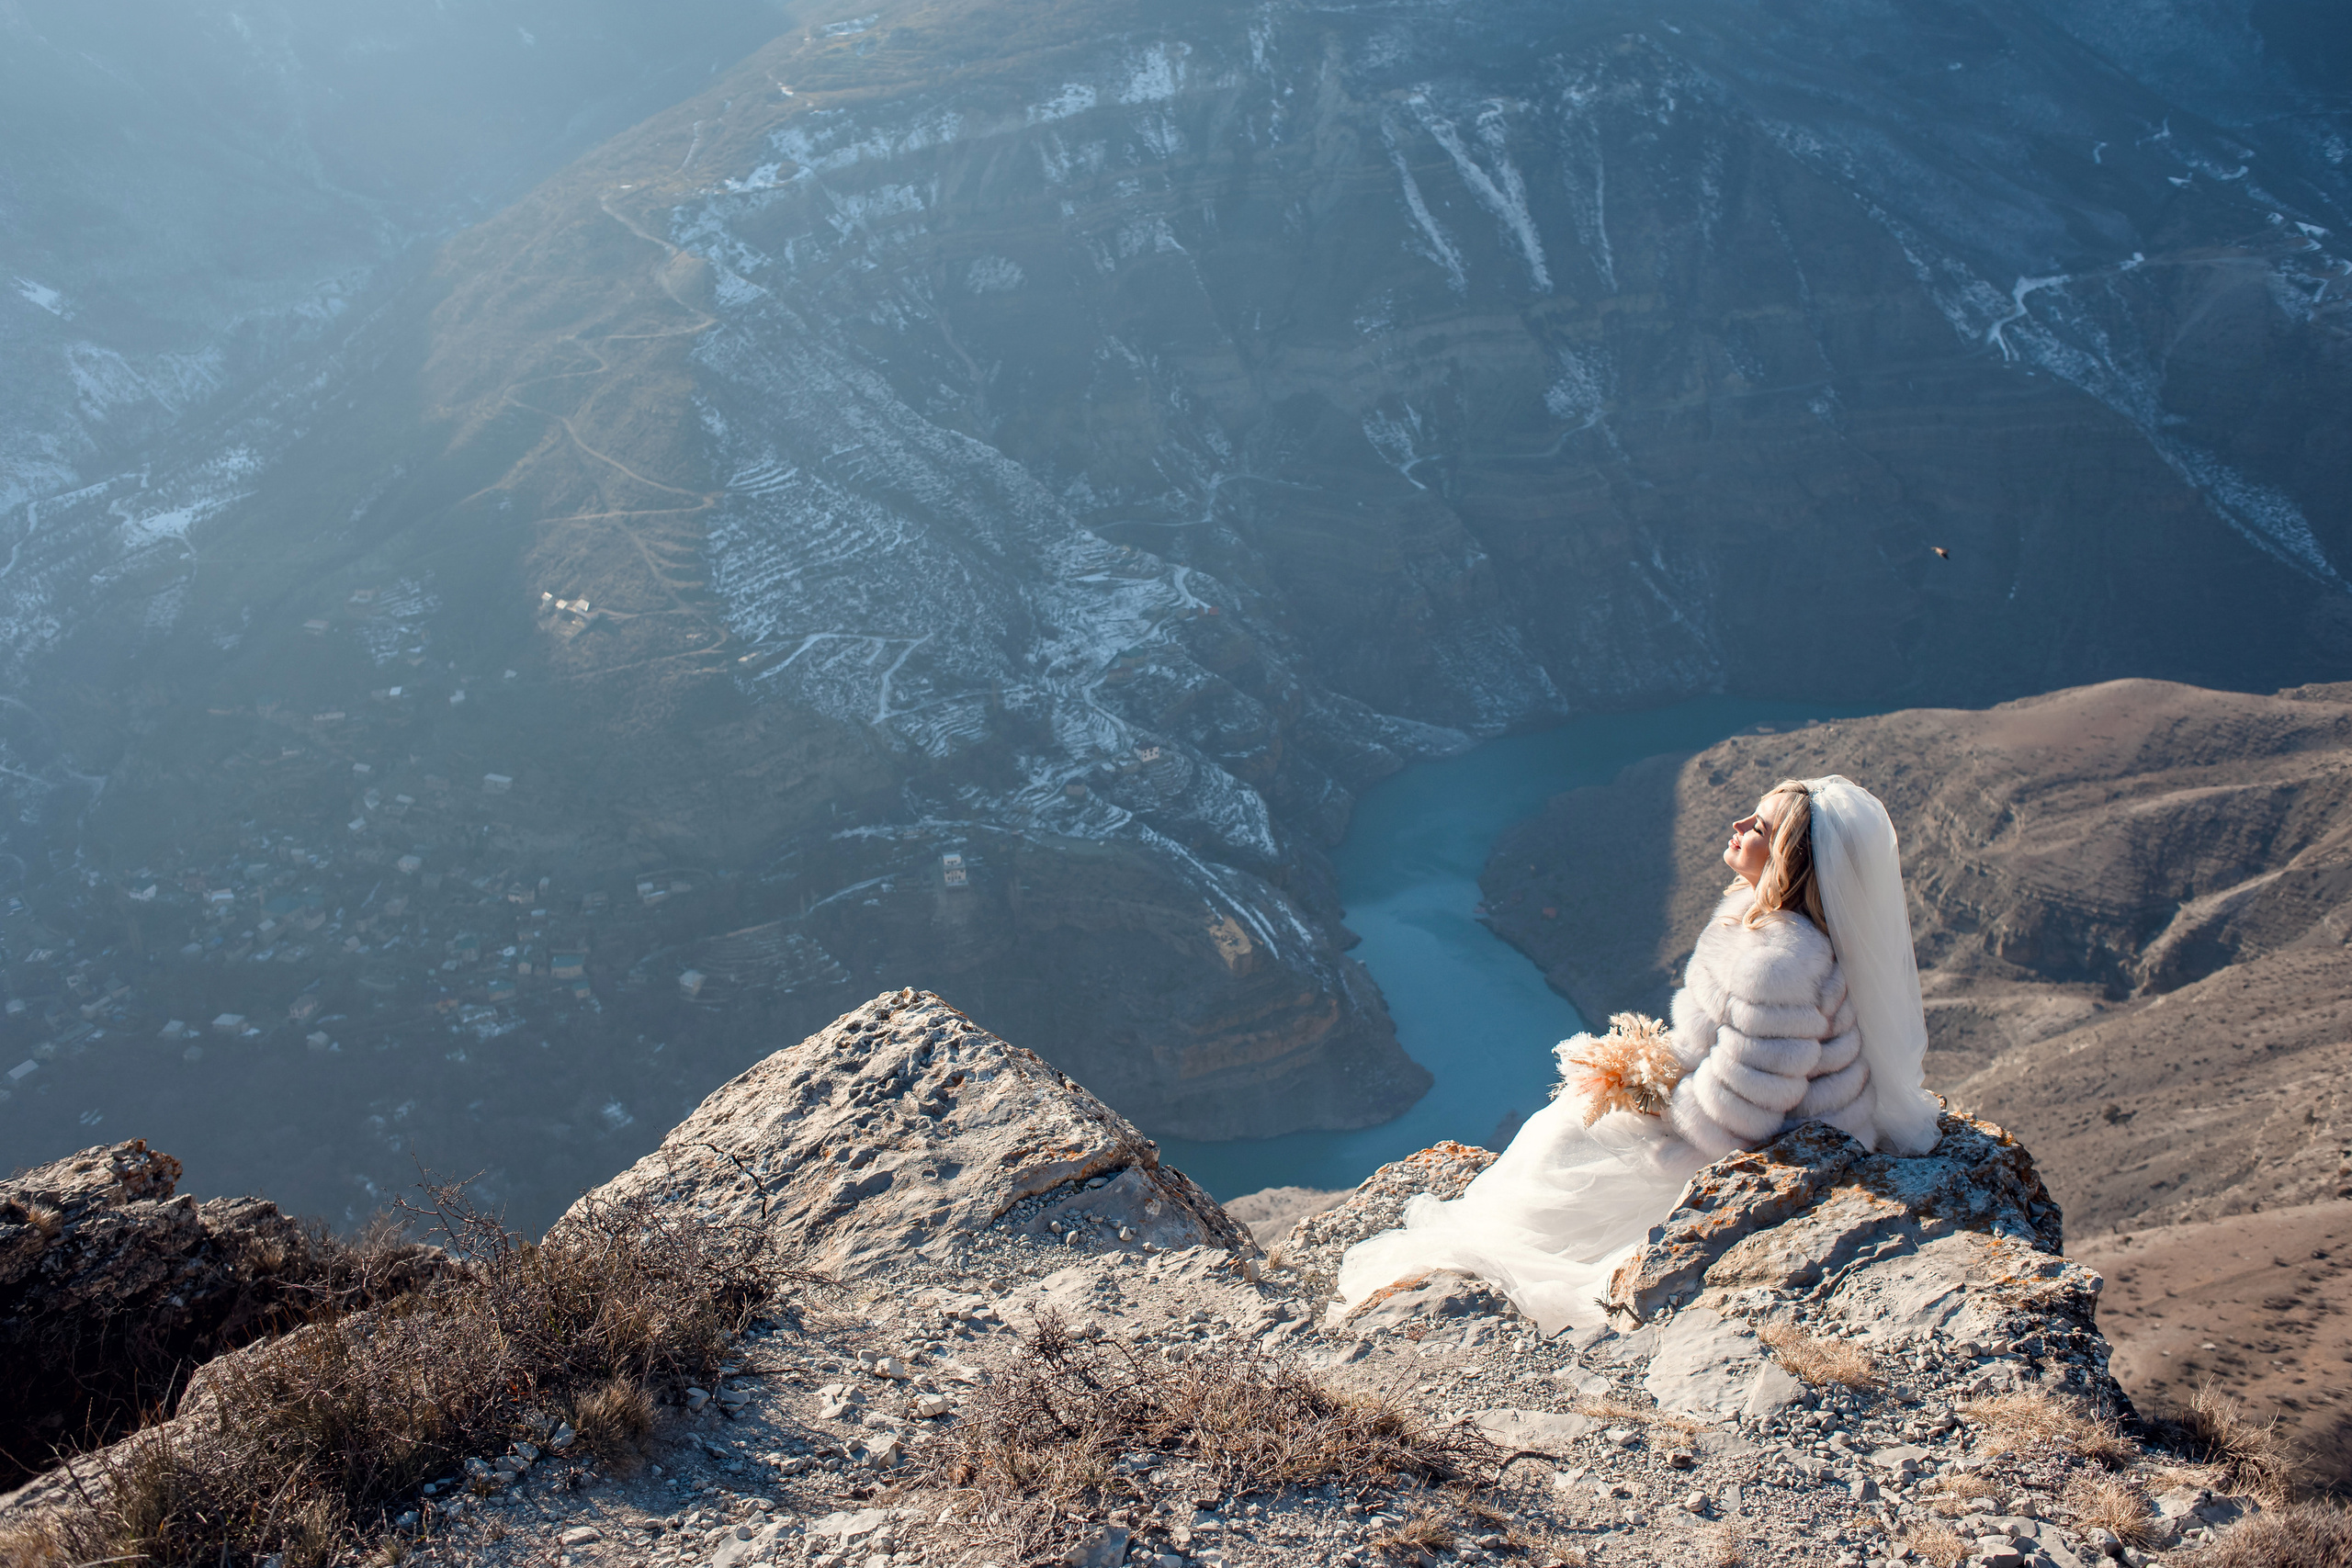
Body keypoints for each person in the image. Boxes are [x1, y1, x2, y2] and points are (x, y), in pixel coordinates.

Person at [1330, 774, 1942, 1337]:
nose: (1735, 826)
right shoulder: (1755, 920)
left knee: (1566, 1144)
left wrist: (1649, 1104)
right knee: (1572, 1118)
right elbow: (1725, 1053)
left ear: (1786, 855)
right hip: (1753, 1113)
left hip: (1771, 1139)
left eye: (1755, 826)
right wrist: (1643, 1068)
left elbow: (1745, 1108)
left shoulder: (1779, 961)